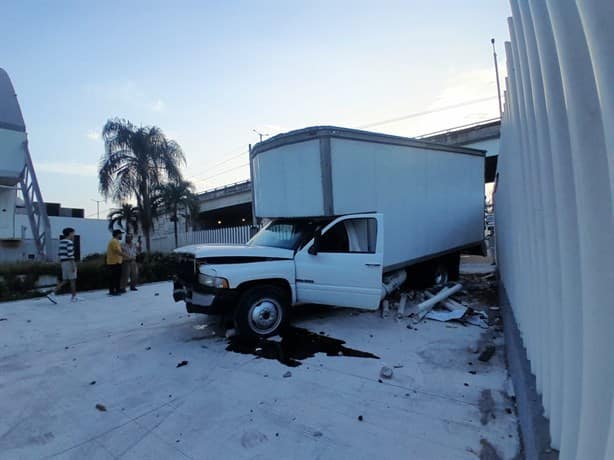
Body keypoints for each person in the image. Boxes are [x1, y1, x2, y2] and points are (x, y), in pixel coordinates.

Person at [47, 227, 82, 303]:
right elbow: (70, 255)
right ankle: (74, 297)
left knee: (65, 280)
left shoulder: (61, 242)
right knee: (73, 280)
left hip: (63, 262)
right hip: (69, 262)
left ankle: (52, 293)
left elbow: (60, 253)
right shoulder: (69, 242)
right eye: (73, 233)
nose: (74, 235)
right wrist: (73, 265)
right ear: (70, 233)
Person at [106, 229, 124, 295]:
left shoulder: (116, 241)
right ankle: (115, 291)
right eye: (121, 234)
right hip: (114, 263)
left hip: (114, 262)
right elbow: (117, 251)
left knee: (114, 277)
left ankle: (114, 290)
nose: (121, 235)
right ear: (117, 234)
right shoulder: (114, 241)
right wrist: (126, 256)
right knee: (115, 278)